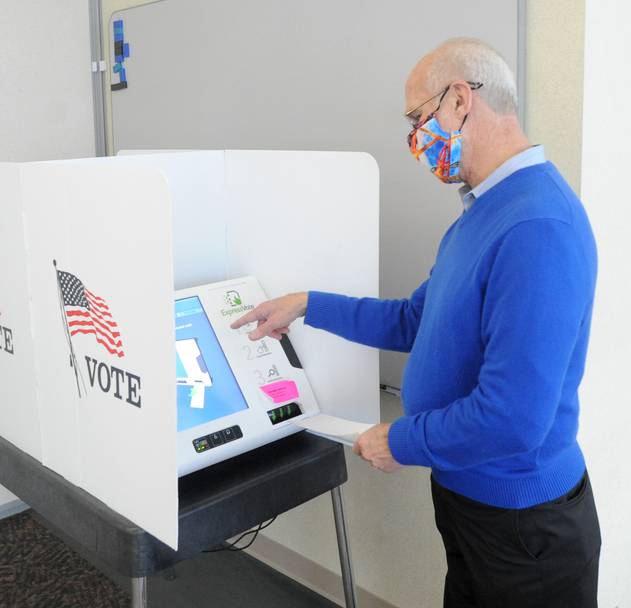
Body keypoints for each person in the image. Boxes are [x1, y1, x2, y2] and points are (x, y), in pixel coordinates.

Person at [230, 38, 601, 608]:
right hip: (471, 502)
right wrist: (308, 303)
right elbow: (414, 320)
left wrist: (402, 440)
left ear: (459, 100)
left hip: (524, 529)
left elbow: (513, 419)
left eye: (417, 119)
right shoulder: (481, 214)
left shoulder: (536, 226)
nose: (413, 141)